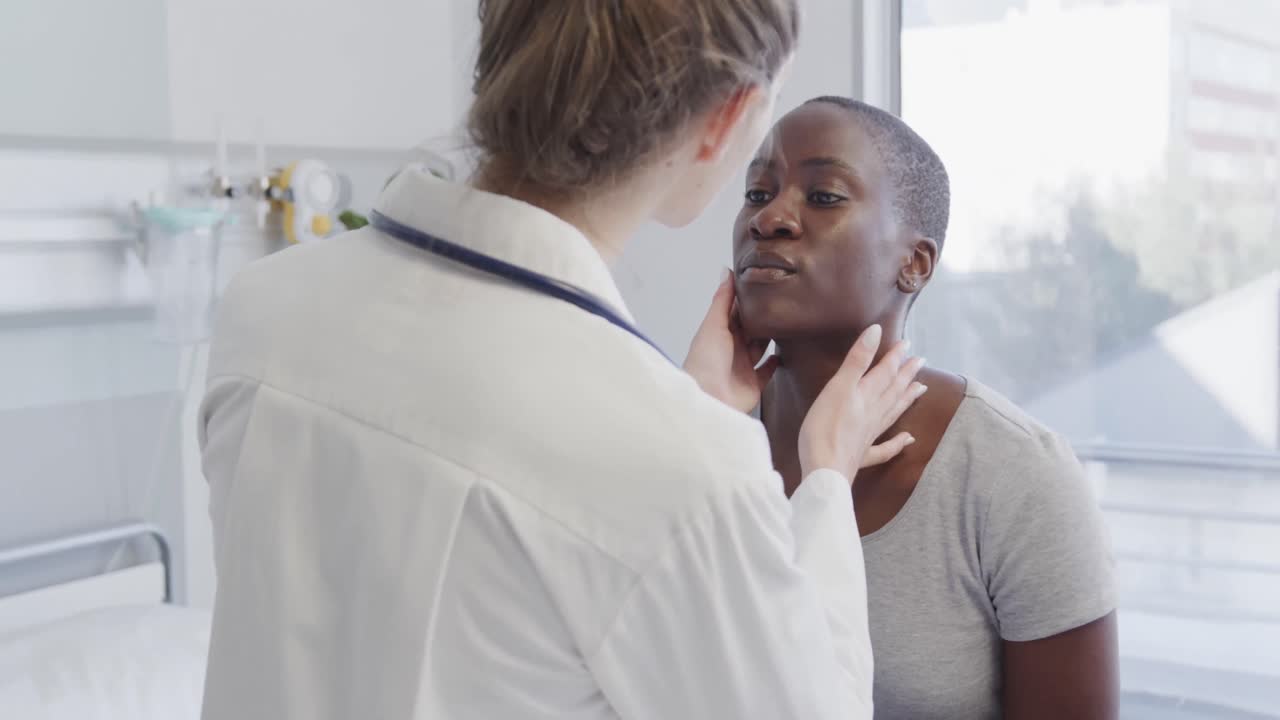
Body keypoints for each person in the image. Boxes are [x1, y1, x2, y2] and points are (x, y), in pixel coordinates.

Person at [198, 3, 926, 719]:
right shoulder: (684, 467)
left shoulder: (263, 310)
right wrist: (824, 479)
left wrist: (683, 413)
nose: (773, 216)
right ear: (727, 121)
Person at [734, 96, 1119, 719]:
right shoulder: (702, 440)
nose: (769, 218)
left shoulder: (1018, 477)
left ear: (913, 264)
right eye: (756, 193)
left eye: (824, 196)